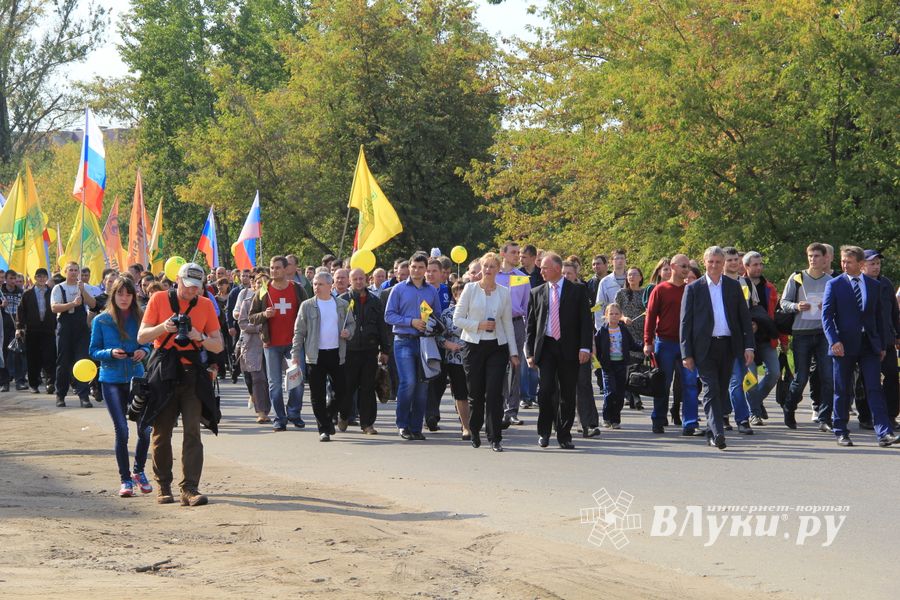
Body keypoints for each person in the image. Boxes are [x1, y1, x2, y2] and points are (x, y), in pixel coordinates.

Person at [137, 262, 223, 506]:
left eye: (197, 287)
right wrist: (164, 327)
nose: (191, 291)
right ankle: (163, 485)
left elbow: (218, 345)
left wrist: (200, 336)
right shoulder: (159, 299)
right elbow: (141, 336)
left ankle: (190, 488)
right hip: (164, 370)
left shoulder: (205, 304)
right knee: (161, 431)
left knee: (192, 432)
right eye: (188, 285)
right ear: (177, 279)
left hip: (192, 372)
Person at [680, 246, 755, 450]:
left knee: (721, 390)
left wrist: (749, 346)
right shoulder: (694, 289)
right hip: (704, 348)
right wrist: (686, 353)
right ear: (704, 262)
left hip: (729, 345)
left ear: (724, 264)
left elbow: (744, 319)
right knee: (710, 388)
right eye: (710, 261)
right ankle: (718, 433)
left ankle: (712, 432)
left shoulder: (733, 286)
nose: (714, 265)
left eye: (718, 262)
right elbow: (685, 323)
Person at [823, 246, 898, 447]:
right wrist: (834, 341)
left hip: (869, 345)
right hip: (843, 345)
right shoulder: (834, 284)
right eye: (842, 261)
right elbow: (827, 317)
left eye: (849, 261)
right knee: (842, 389)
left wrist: (882, 344)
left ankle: (884, 433)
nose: (844, 265)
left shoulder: (873, 285)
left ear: (860, 263)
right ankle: (841, 431)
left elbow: (879, 318)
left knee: (874, 388)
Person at [88, 277, 153, 498]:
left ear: (134, 296)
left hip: (137, 378)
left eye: (128, 294)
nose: (124, 298)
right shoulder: (101, 320)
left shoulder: (141, 316)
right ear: (113, 295)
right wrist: (110, 353)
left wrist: (143, 351)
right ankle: (125, 480)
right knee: (122, 431)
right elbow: (94, 350)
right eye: (120, 294)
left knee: (145, 429)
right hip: (111, 379)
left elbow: (150, 342)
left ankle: (139, 472)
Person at [525, 252, 592, 450]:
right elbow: (531, 325)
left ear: (556, 268)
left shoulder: (577, 291)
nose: (541, 271)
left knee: (567, 393)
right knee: (545, 390)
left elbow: (585, 322)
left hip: (569, 348)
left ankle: (564, 434)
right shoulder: (536, 292)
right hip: (546, 347)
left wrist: (585, 347)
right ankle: (544, 432)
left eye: (545, 268)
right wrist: (530, 352)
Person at [454, 252, 519, 452]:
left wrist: (513, 352)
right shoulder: (470, 289)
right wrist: (479, 325)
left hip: (496, 347)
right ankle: (474, 430)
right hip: (473, 345)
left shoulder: (504, 292)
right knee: (475, 392)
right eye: (485, 266)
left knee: (494, 393)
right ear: (480, 269)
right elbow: (458, 319)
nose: (488, 270)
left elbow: (507, 323)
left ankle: (495, 437)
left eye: (492, 266)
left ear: (498, 269)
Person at [249, 256, 309, 431]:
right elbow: (252, 317)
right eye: (271, 268)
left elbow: (306, 312)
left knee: (297, 381)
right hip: (272, 344)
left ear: (285, 269)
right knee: (274, 384)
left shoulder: (296, 289)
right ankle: (280, 418)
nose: (274, 271)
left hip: (294, 344)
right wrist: (264, 315)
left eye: (277, 268)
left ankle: (294, 413)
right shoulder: (263, 291)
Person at [384, 253, 440, 440]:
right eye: (413, 267)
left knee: (422, 385)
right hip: (404, 340)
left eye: (420, 268)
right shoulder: (399, 289)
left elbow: (437, 316)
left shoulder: (431, 291)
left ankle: (416, 427)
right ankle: (402, 424)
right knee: (408, 382)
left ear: (426, 269)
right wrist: (411, 321)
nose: (417, 271)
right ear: (409, 267)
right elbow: (389, 316)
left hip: (424, 342)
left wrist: (430, 324)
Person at [293, 271, 355, 442]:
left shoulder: (342, 304)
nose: (316, 287)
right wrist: (295, 353)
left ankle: (327, 416)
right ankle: (324, 428)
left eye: (320, 284)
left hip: (336, 353)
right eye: (314, 284)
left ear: (330, 285)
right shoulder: (307, 305)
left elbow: (351, 323)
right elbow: (299, 331)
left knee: (341, 391)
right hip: (315, 355)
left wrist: (348, 332)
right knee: (317, 394)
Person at [644, 255, 701, 435]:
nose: (686, 269)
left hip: (687, 345)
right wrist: (648, 342)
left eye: (688, 266)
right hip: (665, 343)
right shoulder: (660, 289)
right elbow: (651, 316)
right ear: (673, 266)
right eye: (683, 266)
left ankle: (690, 423)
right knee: (663, 383)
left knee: (690, 384)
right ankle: (658, 419)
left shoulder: (691, 289)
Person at [779, 242, 833, 429]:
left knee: (828, 376)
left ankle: (825, 417)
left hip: (823, 333)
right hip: (801, 333)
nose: (813, 259)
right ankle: (789, 407)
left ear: (825, 258)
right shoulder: (797, 277)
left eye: (817, 256)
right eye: (810, 256)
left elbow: (838, 306)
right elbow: (783, 302)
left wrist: (826, 307)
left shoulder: (830, 280)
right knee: (801, 377)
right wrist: (796, 306)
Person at [341, 268, 390, 435]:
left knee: (368, 388)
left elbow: (382, 327)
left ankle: (367, 424)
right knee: (347, 387)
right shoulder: (343, 300)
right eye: (355, 279)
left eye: (361, 278)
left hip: (369, 350)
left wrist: (384, 350)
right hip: (349, 350)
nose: (359, 282)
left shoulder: (375, 301)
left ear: (367, 280)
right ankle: (344, 415)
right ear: (350, 280)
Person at [739, 252, 783, 425]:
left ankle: (755, 401)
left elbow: (774, 314)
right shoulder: (738, 284)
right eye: (754, 264)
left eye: (760, 264)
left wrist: (783, 340)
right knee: (751, 377)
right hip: (746, 340)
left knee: (774, 373)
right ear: (746, 267)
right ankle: (754, 412)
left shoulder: (769, 287)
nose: (758, 267)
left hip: (766, 338)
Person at [858, 250, 899, 429]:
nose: (876, 267)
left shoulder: (886, 283)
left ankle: (891, 415)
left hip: (887, 338)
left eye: (878, 264)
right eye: (872, 263)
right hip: (865, 339)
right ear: (862, 265)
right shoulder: (858, 284)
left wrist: (898, 334)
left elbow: (894, 313)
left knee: (891, 375)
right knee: (866, 378)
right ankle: (865, 415)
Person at [51, 262, 97, 408]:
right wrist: (72, 304)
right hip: (65, 327)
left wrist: (83, 291)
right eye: (70, 270)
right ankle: (61, 394)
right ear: (65, 271)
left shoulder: (83, 286)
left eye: (76, 270)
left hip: (81, 328)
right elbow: (54, 307)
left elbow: (93, 304)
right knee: (63, 363)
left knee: (82, 360)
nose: (73, 272)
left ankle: (84, 396)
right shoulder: (59, 288)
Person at [438, 280, 471, 440]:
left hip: (475, 357)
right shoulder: (447, 314)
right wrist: (447, 344)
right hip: (455, 359)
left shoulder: (478, 312)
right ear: (455, 296)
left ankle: (477, 422)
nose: (463, 298)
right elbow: (438, 336)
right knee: (460, 394)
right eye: (460, 295)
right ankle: (466, 427)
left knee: (477, 393)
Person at [16, 268, 56, 394]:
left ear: (47, 278)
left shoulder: (52, 292)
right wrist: (19, 328)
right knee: (33, 358)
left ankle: (50, 383)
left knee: (50, 357)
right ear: (35, 277)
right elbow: (21, 311)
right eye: (39, 276)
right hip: (32, 330)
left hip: (49, 330)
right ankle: (34, 384)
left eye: (44, 276)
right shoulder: (27, 294)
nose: (42, 279)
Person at [238, 274, 271, 424]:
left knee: (271, 380)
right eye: (258, 282)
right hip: (252, 345)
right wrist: (260, 327)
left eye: (264, 282)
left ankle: (268, 408)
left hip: (271, 344)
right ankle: (261, 412)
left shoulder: (272, 302)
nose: (261, 285)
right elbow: (243, 323)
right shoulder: (247, 302)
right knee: (258, 378)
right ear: (254, 284)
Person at [597, 303, 637, 428]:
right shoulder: (602, 331)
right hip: (608, 365)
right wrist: (598, 361)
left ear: (620, 316)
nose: (614, 316)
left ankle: (615, 419)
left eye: (616, 314)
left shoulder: (623, 329)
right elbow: (596, 347)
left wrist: (646, 347)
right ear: (606, 315)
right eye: (611, 314)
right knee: (610, 391)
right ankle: (606, 417)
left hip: (621, 364)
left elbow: (632, 344)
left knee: (619, 393)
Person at [615, 266, 646, 411]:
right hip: (624, 334)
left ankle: (634, 396)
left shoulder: (645, 293)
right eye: (629, 275)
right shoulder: (621, 293)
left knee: (636, 367)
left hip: (640, 334)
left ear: (640, 277)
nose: (631, 277)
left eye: (635, 274)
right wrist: (623, 317)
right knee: (628, 367)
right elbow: (613, 312)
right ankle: (634, 397)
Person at [1, 269, 27, 391]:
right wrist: (1, 306)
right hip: (3, 326)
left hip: (17, 326)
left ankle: (20, 381)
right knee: (4, 354)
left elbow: (24, 309)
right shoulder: (1, 291)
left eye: (15, 279)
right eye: (10, 278)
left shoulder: (21, 292)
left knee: (17, 353)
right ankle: (4, 382)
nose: (13, 281)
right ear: (5, 279)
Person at [594, 249, 627, 328]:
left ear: (625, 261)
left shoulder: (632, 277)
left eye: (622, 258)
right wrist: (600, 327)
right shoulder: (605, 281)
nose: (620, 261)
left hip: (630, 324)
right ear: (612, 261)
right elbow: (598, 306)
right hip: (611, 324)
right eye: (617, 258)